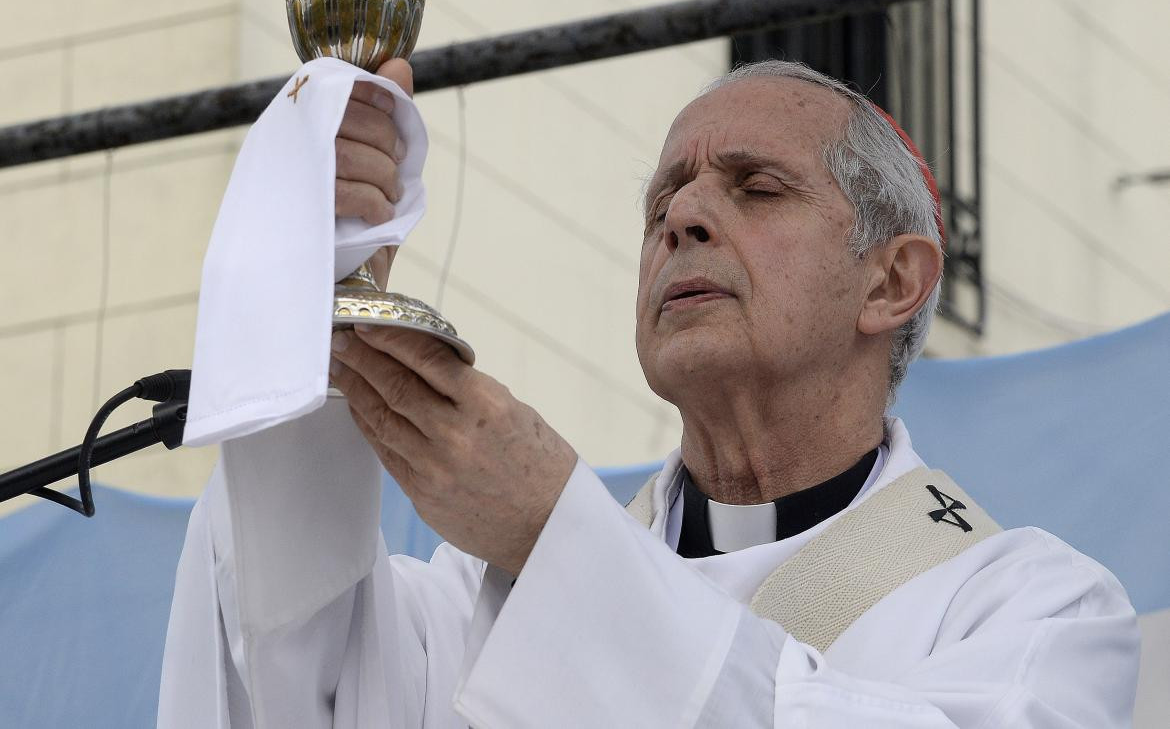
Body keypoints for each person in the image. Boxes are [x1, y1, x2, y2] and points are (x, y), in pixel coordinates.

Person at [159, 57, 1139, 727]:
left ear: (892, 280)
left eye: (754, 187)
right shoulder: (476, 598)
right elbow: (281, 680)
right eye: (661, 201)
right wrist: (315, 287)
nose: (683, 217)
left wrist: (558, 538)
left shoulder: (1033, 611)